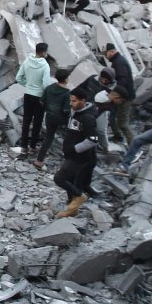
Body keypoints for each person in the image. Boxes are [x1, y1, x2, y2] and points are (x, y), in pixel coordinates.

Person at [53, 89, 99, 218]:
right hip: (71, 155)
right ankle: (71, 208)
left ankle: (79, 196)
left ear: (83, 101)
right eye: (70, 100)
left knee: (59, 178)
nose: (71, 103)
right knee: (70, 181)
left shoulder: (87, 118)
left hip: (79, 157)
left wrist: (74, 149)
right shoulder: (76, 113)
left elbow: (93, 139)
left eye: (74, 101)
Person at [16, 43, 53, 158]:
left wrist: (28, 85)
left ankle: (23, 148)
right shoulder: (45, 65)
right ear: (43, 52)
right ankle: (32, 147)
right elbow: (46, 84)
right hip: (39, 97)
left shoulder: (27, 61)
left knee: (26, 121)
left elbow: (18, 78)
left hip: (28, 94)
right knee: (37, 122)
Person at [34, 69, 72, 170]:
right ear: (65, 79)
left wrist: (48, 109)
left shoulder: (50, 88)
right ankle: (68, 161)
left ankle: (39, 160)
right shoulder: (67, 93)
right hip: (61, 119)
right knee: (68, 138)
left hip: (49, 116)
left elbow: (41, 101)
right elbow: (66, 110)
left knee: (49, 138)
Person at [104, 43, 135, 122]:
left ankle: (127, 135)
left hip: (125, 97)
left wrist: (114, 93)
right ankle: (118, 134)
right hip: (124, 95)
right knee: (118, 119)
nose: (105, 56)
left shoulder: (118, 62)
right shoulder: (118, 60)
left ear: (112, 52)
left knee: (123, 123)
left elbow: (122, 80)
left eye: (106, 53)